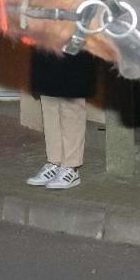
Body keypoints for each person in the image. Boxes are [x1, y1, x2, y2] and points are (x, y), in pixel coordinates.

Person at [25, 50, 98, 190]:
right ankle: (54, 161)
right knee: (48, 98)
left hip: (75, 38)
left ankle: (71, 166)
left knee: (70, 99)